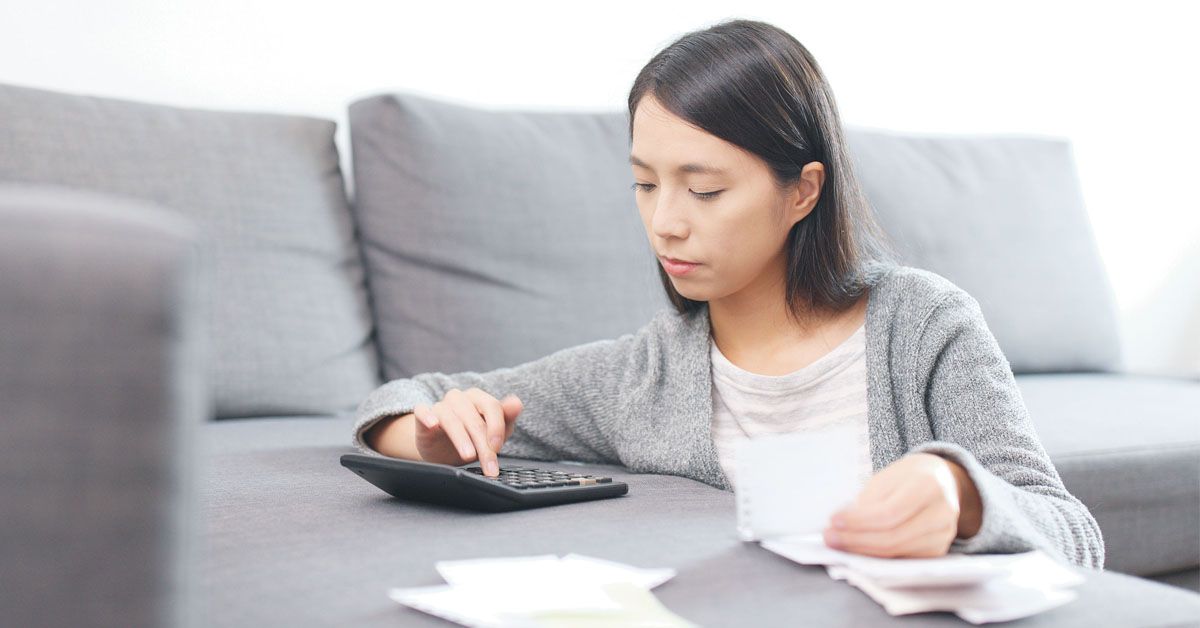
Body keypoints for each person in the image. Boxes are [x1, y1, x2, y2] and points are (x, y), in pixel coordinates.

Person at [353, 18, 1104, 569]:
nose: (665, 223)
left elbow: (1073, 534)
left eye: (705, 191)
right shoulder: (643, 376)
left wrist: (960, 495)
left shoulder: (923, 326)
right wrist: (427, 434)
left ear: (803, 191)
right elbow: (407, 397)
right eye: (645, 184)